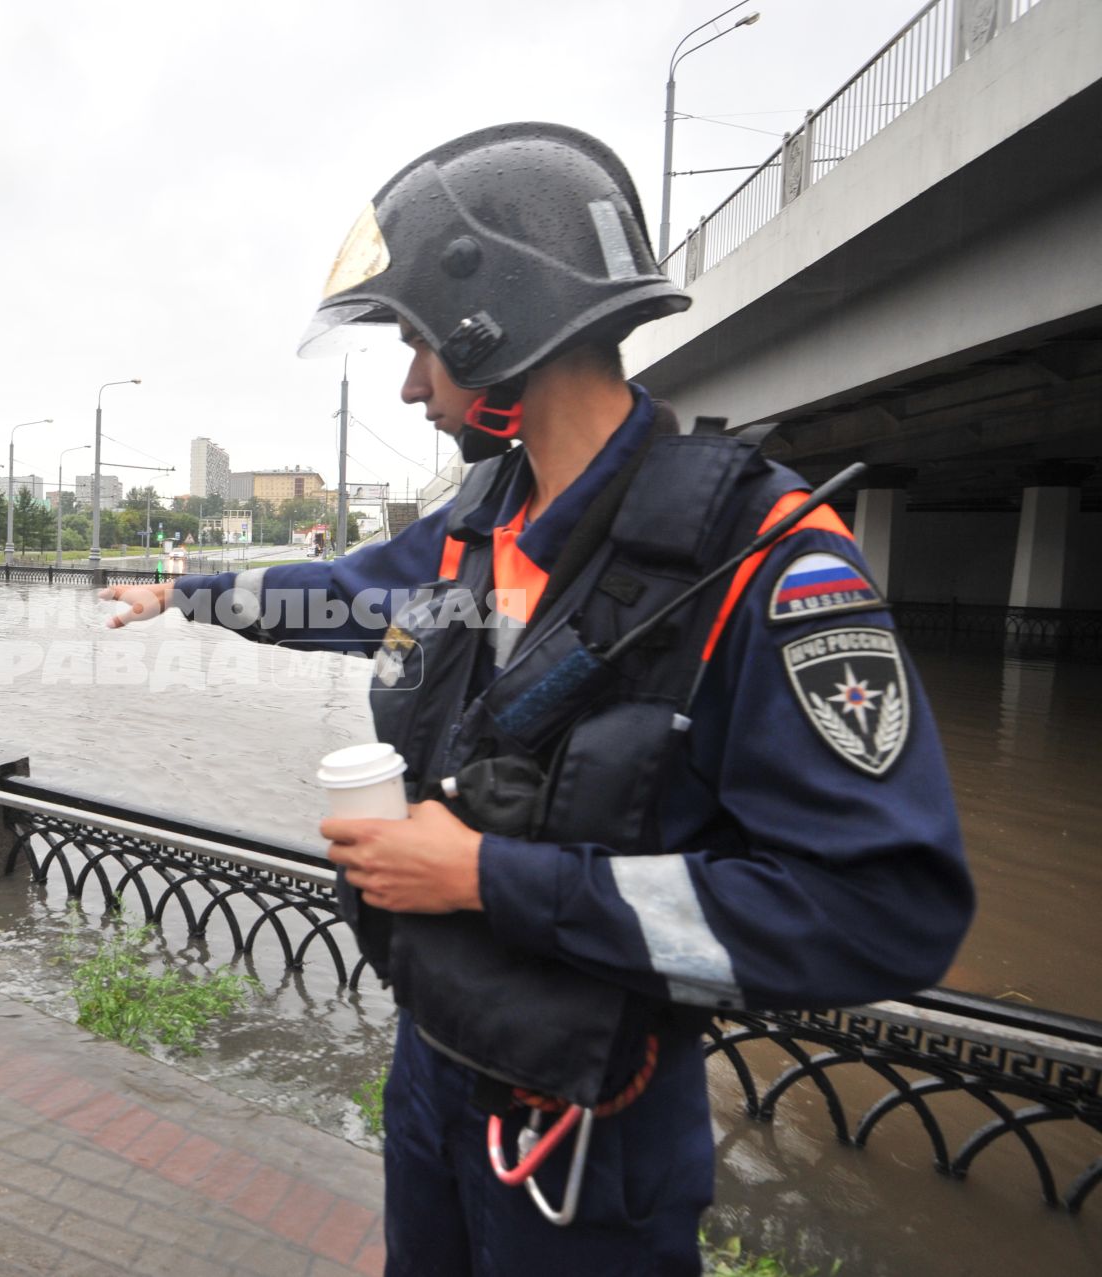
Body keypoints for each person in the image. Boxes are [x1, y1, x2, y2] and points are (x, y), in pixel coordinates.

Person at [100, 122, 973, 1275]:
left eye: (417, 343)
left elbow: (884, 911)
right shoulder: (478, 526)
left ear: (491, 318)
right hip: (437, 1059)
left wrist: (484, 875)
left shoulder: (764, 560)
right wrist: (191, 595)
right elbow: (341, 596)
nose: (412, 382)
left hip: (591, 1130)